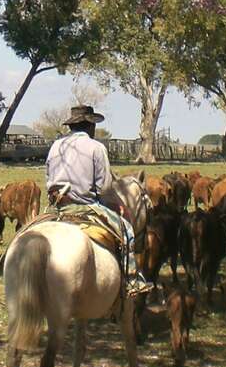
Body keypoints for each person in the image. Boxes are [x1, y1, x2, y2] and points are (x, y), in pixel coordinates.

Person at [46, 104, 150, 297]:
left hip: (57, 208)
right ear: (90, 126)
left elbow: (49, 179)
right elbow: (104, 188)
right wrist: (119, 207)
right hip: (85, 206)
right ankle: (131, 281)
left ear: (71, 126)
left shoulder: (55, 146)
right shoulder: (96, 147)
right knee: (127, 232)